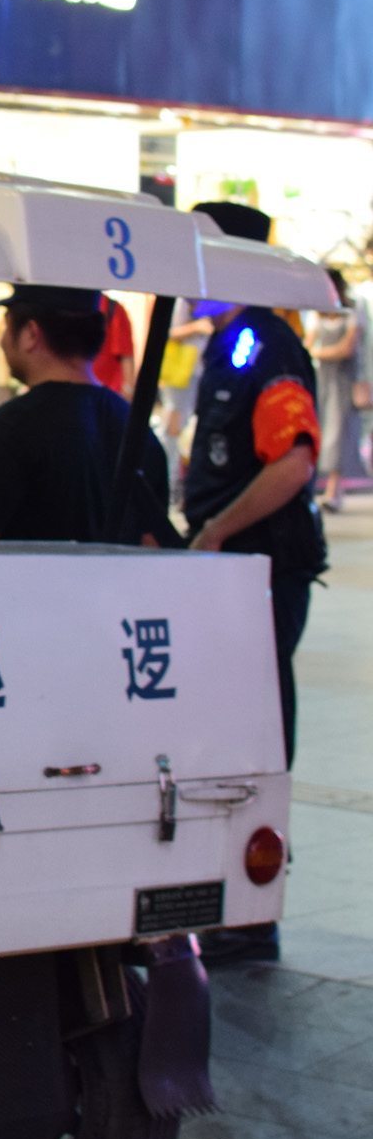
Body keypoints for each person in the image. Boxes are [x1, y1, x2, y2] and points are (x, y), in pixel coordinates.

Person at [184, 202, 326, 772]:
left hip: (263, 564)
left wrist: (217, 531)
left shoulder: (263, 345)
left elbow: (293, 463)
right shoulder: (230, 340)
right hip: (236, 563)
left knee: (256, 710)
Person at [0, 286, 171, 543]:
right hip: (117, 584)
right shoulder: (137, 430)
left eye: (6, 327)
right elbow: (154, 544)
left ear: (30, 334)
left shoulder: (12, 427)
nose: (3, 341)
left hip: (30, 584)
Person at [306, 267, 361, 512]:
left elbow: (348, 348)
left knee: (338, 432)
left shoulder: (351, 310)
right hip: (321, 377)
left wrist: (318, 353)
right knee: (319, 427)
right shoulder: (318, 313)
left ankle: (333, 488)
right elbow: (309, 341)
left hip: (341, 378)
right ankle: (322, 486)